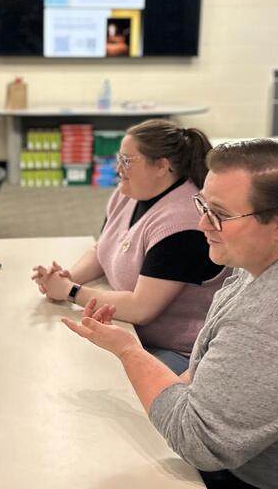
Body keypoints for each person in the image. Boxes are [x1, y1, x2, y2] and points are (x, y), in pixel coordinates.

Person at [64, 140, 278, 489]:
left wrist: (128, 351)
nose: (202, 224)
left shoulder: (274, 325)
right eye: (202, 205)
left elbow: (197, 440)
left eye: (218, 215)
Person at [32, 119, 230, 373]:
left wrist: (71, 291)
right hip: (130, 331)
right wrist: (65, 278)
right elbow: (102, 248)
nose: (118, 168)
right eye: (119, 158)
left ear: (161, 166)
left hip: (175, 351)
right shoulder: (129, 192)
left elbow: (140, 308)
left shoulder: (183, 224)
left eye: (127, 160)